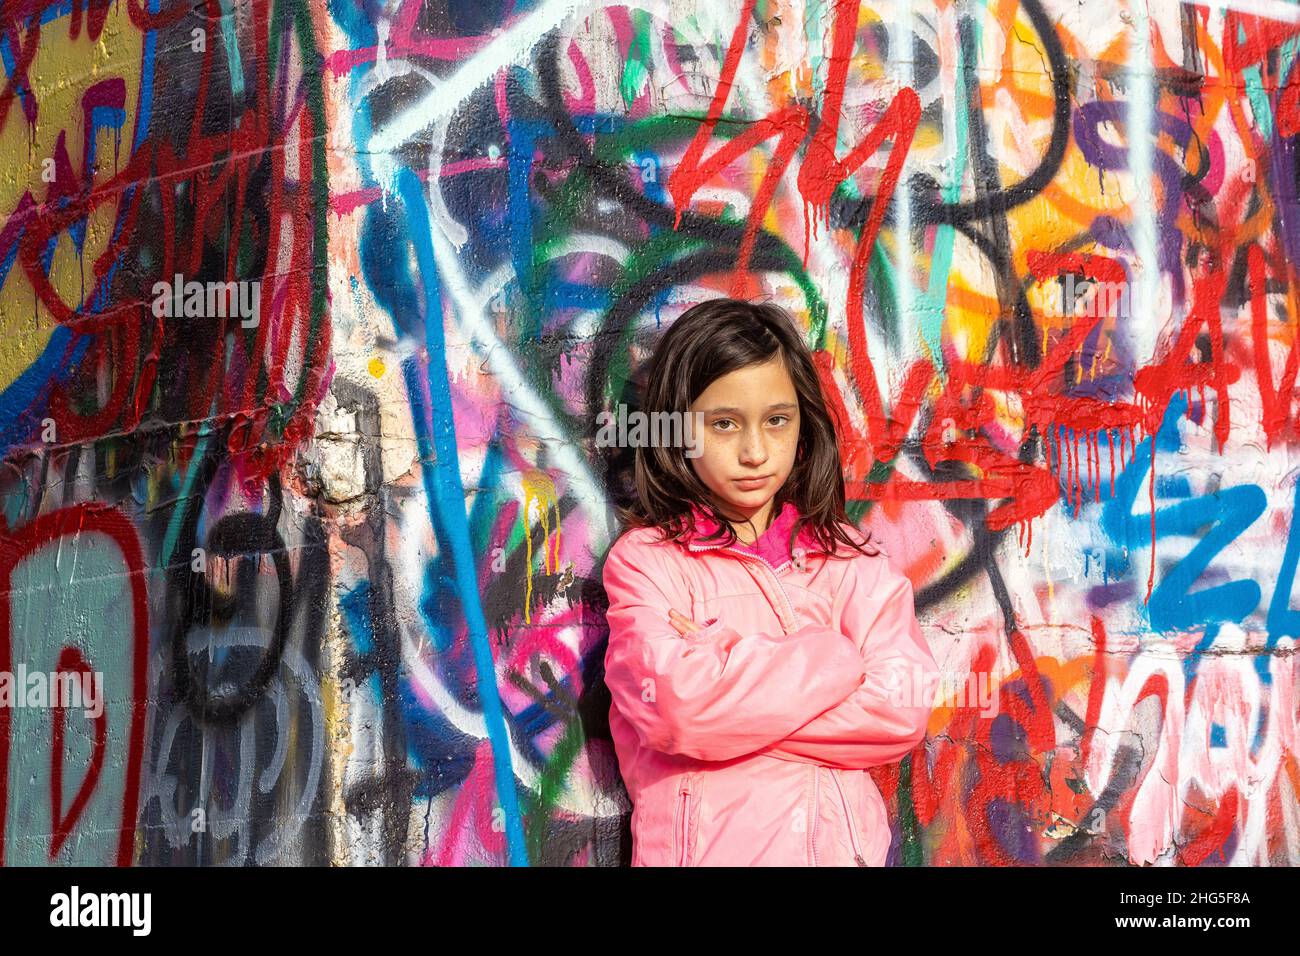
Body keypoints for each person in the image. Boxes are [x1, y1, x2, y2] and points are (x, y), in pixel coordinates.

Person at [601, 297, 938, 866]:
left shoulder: (849, 563)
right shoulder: (647, 564)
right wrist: (833, 660)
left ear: (803, 428)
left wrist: (728, 683)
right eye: (725, 424)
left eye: (776, 421)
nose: (755, 452)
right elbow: (678, 710)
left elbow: (902, 709)